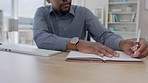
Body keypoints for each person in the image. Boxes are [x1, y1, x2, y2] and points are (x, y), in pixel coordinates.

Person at [33, 0, 148, 58]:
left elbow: (103, 35)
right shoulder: (41, 12)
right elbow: (40, 38)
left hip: (78, 66)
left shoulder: (83, 12)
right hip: (50, 65)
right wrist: (76, 43)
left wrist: (121, 43)